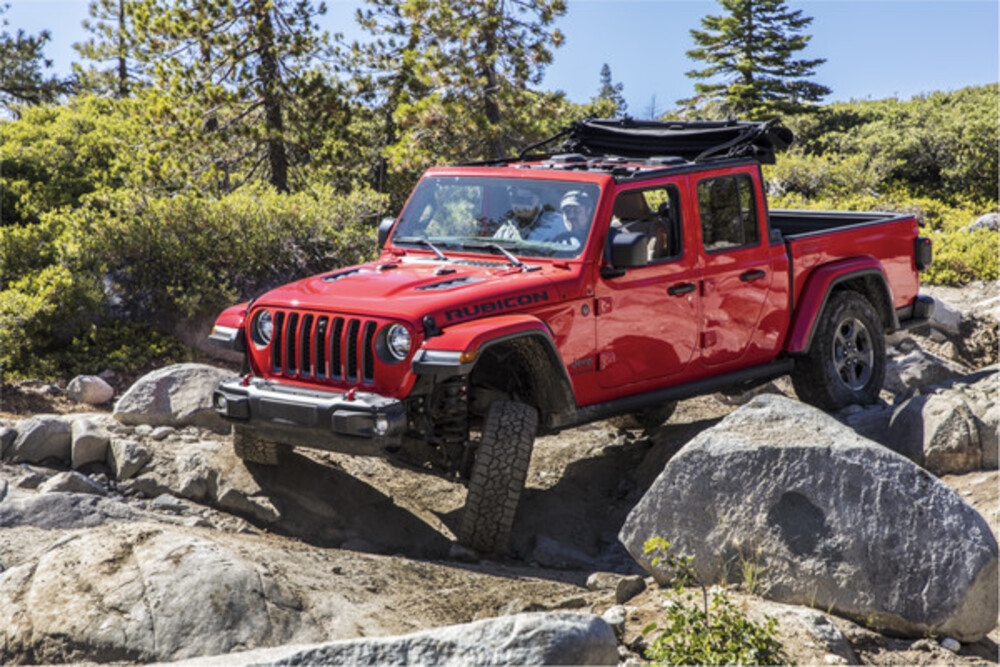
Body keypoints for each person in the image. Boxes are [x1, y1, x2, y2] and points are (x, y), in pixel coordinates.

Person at [493, 187, 564, 242]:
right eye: (516, 200)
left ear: (538, 199)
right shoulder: (507, 229)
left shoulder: (557, 223)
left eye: (526, 200)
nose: (520, 207)